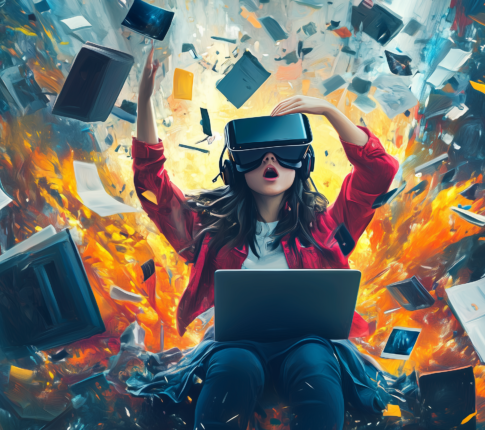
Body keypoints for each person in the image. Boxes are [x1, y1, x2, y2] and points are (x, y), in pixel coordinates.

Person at [129, 47, 399, 429]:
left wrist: (327, 110)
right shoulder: (210, 231)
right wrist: (144, 100)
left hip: (309, 342)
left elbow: (379, 173)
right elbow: (151, 185)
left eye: (284, 153)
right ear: (234, 168)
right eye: (256, 156)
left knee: (315, 366)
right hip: (235, 344)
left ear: (302, 163)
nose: (270, 162)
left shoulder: (326, 226)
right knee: (230, 370)